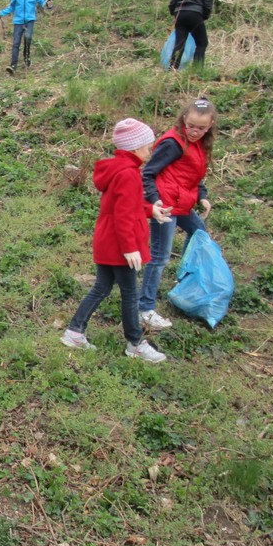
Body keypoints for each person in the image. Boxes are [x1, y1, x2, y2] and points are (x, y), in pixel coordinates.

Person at [61, 119, 171, 363]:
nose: (149, 152)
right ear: (133, 149)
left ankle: (75, 331)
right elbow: (123, 217)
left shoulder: (116, 170)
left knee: (101, 287)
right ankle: (135, 344)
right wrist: (130, 248)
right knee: (131, 293)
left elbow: (126, 206)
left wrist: (150, 209)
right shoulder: (128, 174)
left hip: (106, 242)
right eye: (146, 148)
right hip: (120, 247)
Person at [138, 98, 219, 330]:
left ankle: (185, 282)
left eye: (201, 128)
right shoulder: (173, 143)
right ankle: (145, 309)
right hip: (166, 205)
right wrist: (155, 201)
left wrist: (202, 195)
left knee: (198, 232)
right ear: (184, 119)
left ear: (210, 125)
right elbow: (148, 173)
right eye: (191, 125)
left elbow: (193, 173)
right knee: (160, 256)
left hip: (181, 201)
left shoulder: (201, 144)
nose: (194, 131)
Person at [0, 0, 47, 74]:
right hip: (18, 21)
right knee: (16, 43)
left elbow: (43, 3)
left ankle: (26, 57)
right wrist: (0, 13)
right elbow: (11, 7)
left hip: (29, 20)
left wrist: (48, 4)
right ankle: (13, 65)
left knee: (28, 37)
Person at [167, 0, 214, 70]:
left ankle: (172, 69)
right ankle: (197, 71)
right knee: (202, 43)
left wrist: (175, 14)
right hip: (195, 15)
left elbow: (172, 4)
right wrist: (203, 17)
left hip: (180, 15)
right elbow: (208, 6)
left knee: (179, 44)